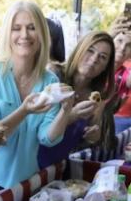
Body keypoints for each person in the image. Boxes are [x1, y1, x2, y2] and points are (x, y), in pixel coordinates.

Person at [0, 0, 72, 193]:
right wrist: (24, 111)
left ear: (42, 35)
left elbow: (47, 137)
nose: (24, 35)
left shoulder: (50, 81)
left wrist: (65, 111)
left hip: (27, 183)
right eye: (16, 28)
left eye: (32, 28)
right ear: (7, 33)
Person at [38, 31, 114, 169]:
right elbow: (36, 127)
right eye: (90, 50)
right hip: (32, 164)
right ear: (79, 49)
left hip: (59, 168)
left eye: (102, 57)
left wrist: (92, 135)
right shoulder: (54, 75)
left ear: (105, 68)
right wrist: (72, 115)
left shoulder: (97, 97)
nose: (94, 59)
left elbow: (90, 136)